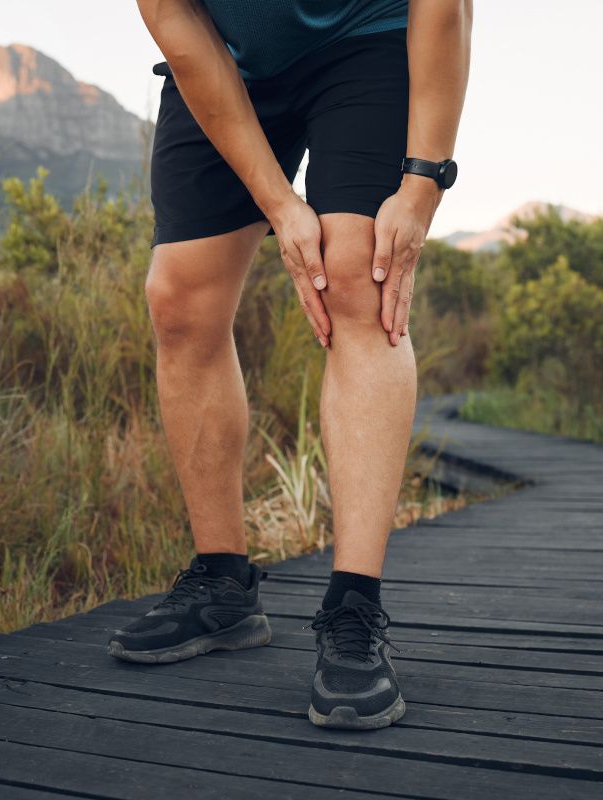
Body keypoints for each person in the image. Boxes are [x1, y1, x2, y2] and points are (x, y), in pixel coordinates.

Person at [109, 0, 472, 730]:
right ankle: (222, 586)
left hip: (365, 39)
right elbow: (172, 17)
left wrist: (424, 181)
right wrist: (280, 206)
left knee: (355, 275)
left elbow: (446, 6)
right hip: (229, 57)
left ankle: (353, 608)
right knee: (178, 299)